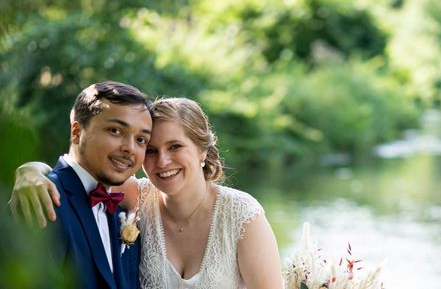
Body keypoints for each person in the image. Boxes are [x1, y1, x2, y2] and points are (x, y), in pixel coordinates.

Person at [11, 96, 283, 289]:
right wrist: (30, 170)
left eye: (175, 147)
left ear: (202, 151)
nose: (162, 161)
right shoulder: (137, 195)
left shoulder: (240, 215)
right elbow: (77, 176)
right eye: (151, 150)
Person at [9, 80, 153, 288]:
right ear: (77, 132)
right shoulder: (41, 198)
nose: (130, 148)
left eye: (141, 139)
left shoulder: (123, 213)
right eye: (115, 131)